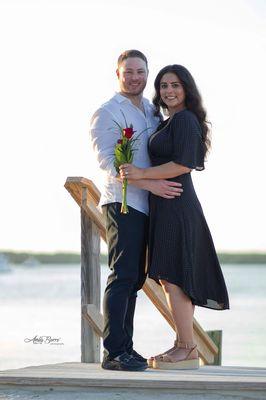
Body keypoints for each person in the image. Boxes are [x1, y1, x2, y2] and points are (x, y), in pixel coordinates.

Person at [120, 64, 230, 370]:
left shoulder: (184, 120)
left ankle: (188, 347)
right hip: (165, 206)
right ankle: (183, 344)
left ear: (186, 89)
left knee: (176, 277)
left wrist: (141, 174)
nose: (169, 91)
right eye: (164, 86)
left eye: (175, 85)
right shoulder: (169, 122)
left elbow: (184, 163)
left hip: (178, 205)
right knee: (170, 278)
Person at [89, 51, 183, 371]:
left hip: (147, 206)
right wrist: (151, 186)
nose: (135, 77)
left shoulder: (150, 110)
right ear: (117, 74)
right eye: (128, 71)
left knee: (136, 278)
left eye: (140, 72)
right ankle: (113, 352)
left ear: (147, 74)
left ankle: (126, 348)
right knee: (122, 276)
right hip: (123, 201)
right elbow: (109, 162)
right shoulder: (106, 112)